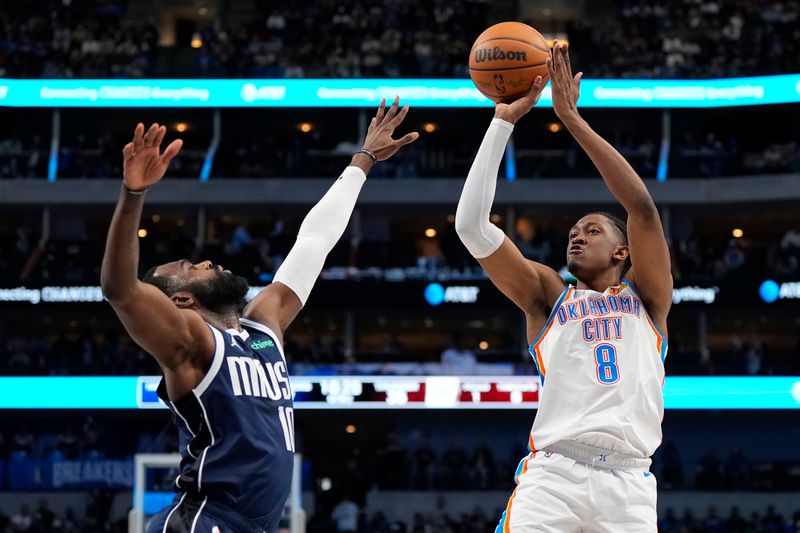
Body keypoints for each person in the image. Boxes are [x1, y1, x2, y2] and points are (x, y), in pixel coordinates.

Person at [100, 97, 418, 533]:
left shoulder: (263, 327)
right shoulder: (193, 341)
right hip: (202, 519)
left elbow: (314, 241)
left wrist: (362, 161)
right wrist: (133, 194)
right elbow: (120, 289)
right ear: (180, 301)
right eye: (189, 268)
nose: (207, 261)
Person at [455, 41, 671, 532]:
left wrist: (573, 121)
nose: (577, 235)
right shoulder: (550, 294)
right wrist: (501, 122)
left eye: (592, 230)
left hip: (631, 483)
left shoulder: (647, 299)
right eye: (573, 231)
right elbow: (471, 227)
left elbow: (642, 209)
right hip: (554, 476)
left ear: (623, 252)